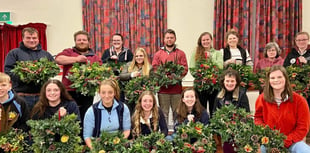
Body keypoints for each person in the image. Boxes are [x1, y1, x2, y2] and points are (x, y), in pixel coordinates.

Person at [254, 65, 310, 153]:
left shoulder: (299, 101)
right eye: (272, 78)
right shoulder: (261, 99)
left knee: (305, 150)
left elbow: (303, 127)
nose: (276, 80)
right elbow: (258, 119)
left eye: (279, 77)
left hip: (293, 142)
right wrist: (268, 136)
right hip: (269, 142)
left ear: (285, 79)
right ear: (269, 81)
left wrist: (286, 141)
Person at [55, 30, 102, 122]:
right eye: (79, 40)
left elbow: (100, 73)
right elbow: (58, 59)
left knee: (85, 116)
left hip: (87, 92)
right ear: (75, 41)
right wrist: (76, 59)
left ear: (88, 42)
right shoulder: (69, 52)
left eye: (84, 40)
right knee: (69, 116)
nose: (81, 42)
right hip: (69, 91)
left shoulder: (95, 57)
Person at [4, 27, 54, 110]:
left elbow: (52, 70)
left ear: (38, 39)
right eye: (28, 38)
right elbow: (8, 71)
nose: (31, 40)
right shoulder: (14, 53)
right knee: (23, 121)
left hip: (42, 96)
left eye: (34, 38)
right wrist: (26, 77)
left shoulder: (46, 54)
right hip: (21, 96)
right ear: (23, 38)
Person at [152, 29, 188, 128]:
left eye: (171, 38)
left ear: (175, 39)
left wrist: (174, 78)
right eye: (167, 37)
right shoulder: (158, 54)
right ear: (164, 39)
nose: (169, 39)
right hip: (163, 90)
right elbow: (155, 69)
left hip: (176, 89)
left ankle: (178, 134)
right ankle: (164, 135)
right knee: (164, 114)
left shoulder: (181, 53)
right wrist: (164, 78)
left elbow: (184, 69)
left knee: (178, 113)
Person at [83, 79, 131, 149]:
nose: (107, 96)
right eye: (103, 92)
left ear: (114, 93)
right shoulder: (91, 111)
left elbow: (126, 130)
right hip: (98, 146)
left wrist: (117, 143)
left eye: (110, 92)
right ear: (99, 93)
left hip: (118, 145)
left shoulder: (123, 108)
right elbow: (87, 136)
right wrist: (95, 149)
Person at [213, 69, 250, 153]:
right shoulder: (219, 95)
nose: (229, 83)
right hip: (225, 133)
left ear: (236, 82)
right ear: (223, 81)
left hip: (239, 132)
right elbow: (214, 113)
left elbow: (246, 114)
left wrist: (236, 124)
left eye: (232, 81)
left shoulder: (242, 95)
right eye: (227, 81)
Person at [190, 32, 223, 116]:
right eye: (203, 40)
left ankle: (213, 127)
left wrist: (211, 58)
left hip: (214, 85)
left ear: (211, 40)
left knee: (214, 109)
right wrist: (201, 76)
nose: (205, 42)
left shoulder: (217, 53)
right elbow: (192, 68)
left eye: (207, 39)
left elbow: (220, 67)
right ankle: (202, 126)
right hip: (201, 85)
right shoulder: (195, 53)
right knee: (201, 109)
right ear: (200, 41)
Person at [120, 47, 152, 112]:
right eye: (136, 56)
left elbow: (151, 82)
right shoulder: (129, 65)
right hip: (129, 97)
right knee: (130, 117)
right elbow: (121, 76)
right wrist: (131, 75)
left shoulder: (149, 67)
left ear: (144, 57)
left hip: (143, 98)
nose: (138, 58)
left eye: (141, 56)